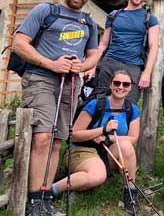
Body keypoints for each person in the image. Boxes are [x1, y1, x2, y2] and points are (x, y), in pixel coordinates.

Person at [12, 0, 100, 216]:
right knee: (42, 138)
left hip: (71, 83)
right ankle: (32, 202)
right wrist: (51, 64)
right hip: (41, 79)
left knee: (57, 141)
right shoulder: (45, 11)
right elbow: (19, 43)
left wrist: (80, 66)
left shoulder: (89, 23)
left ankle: (44, 198)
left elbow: (93, 54)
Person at [50, 70, 141, 213]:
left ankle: (130, 192)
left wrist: (107, 137)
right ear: (111, 85)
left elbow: (133, 138)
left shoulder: (132, 109)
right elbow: (73, 135)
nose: (121, 87)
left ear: (130, 88)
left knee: (127, 146)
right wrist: (101, 130)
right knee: (98, 176)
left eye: (125, 84)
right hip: (82, 150)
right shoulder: (95, 105)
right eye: (117, 83)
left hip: (106, 151)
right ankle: (51, 191)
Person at [90, 0, 159, 102]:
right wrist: (92, 66)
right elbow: (103, 44)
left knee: (128, 106)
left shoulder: (150, 19)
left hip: (133, 66)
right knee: (101, 103)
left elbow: (154, 47)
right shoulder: (114, 15)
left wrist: (147, 73)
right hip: (110, 62)